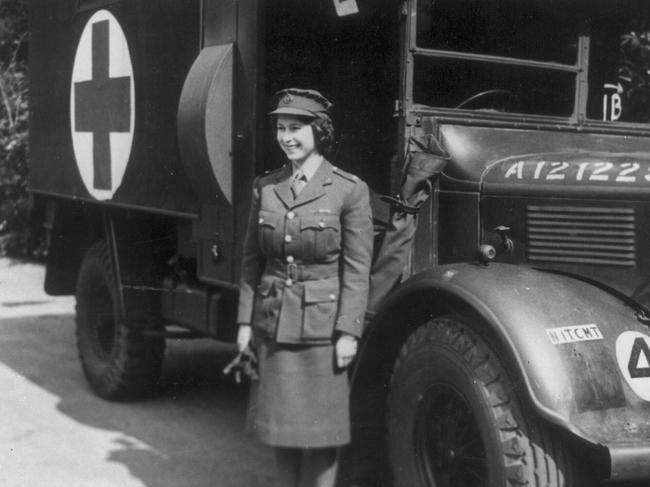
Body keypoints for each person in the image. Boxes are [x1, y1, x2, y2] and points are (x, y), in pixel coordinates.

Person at [234, 88, 373, 487]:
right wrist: (245, 323)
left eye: (296, 128)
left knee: (321, 437)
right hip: (273, 323)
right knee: (282, 433)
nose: (286, 136)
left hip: (322, 332)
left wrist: (349, 331)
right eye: (281, 128)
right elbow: (250, 261)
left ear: (319, 131)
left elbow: (357, 268)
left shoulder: (348, 190)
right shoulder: (266, 187)